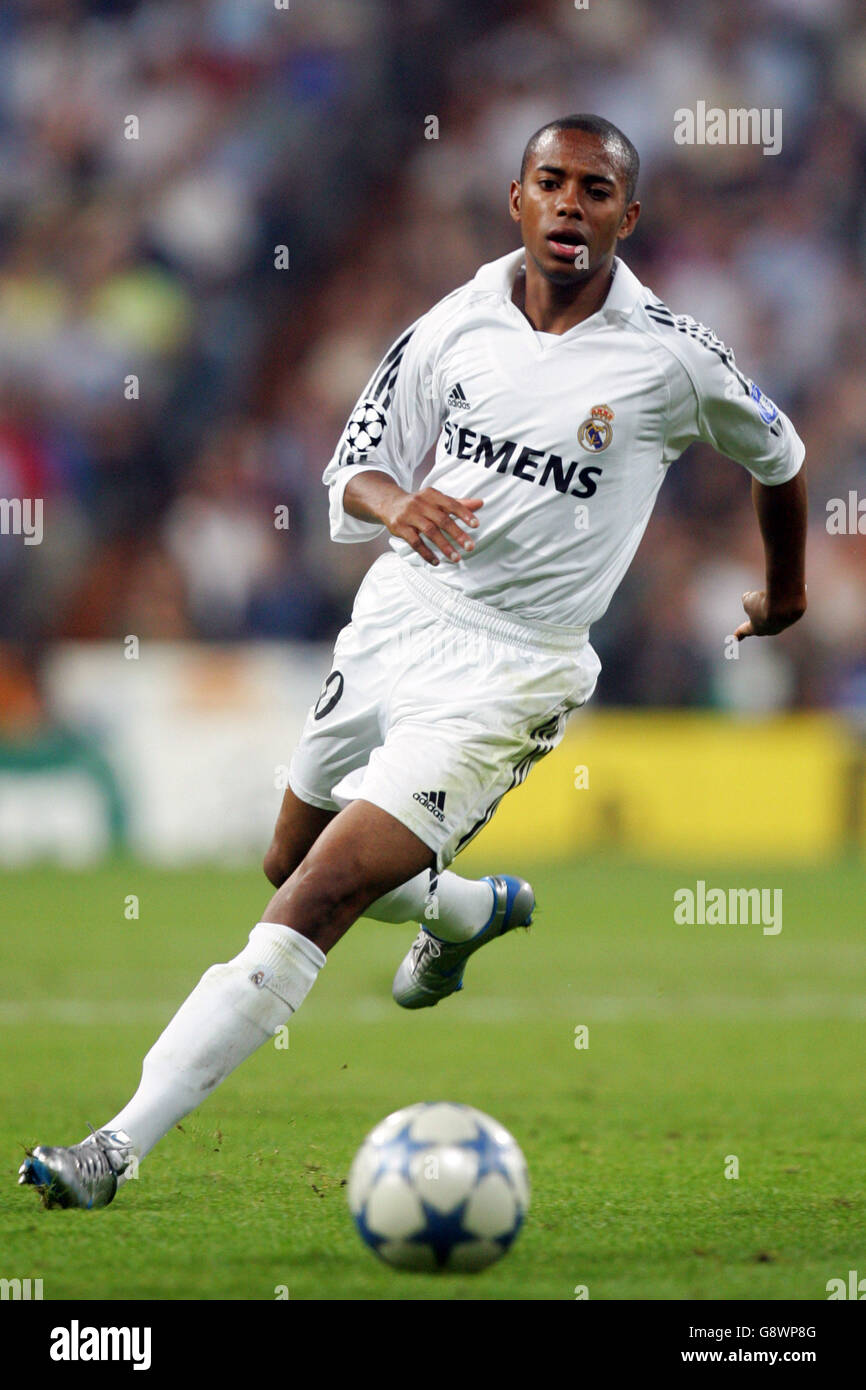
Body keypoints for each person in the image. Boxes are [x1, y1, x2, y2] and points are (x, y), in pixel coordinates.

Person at [19, 114, 807, 1210]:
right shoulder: (456, 322)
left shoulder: (671, 356)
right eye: (549, 182)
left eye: (593, 190)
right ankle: (463, 911)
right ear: (515, 200)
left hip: (513, 671)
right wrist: (404, 502)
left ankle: (114, 1145)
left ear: (626, 216)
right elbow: (352, 470)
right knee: (284, 854)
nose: (568, 205)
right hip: (398, 619)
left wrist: (786, 589)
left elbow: (780, 456)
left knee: (319, 892)